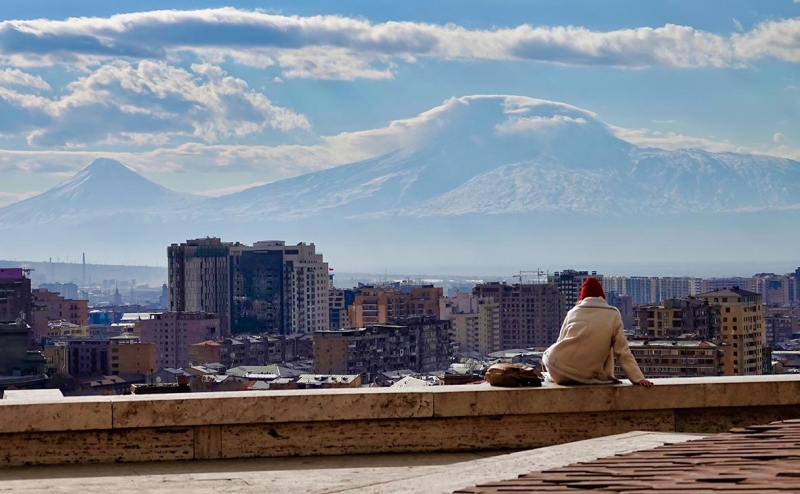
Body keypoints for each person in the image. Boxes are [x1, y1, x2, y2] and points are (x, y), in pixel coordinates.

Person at [542, 277, 653, 387]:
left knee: (547, 354)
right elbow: (622, 351)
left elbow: (560, 341)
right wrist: (638, 378)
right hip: (585, 374)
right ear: (602, 297)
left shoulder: (573, 312)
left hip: (557, 368)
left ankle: (547, 376)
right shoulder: (613, 314)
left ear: (582, 297)